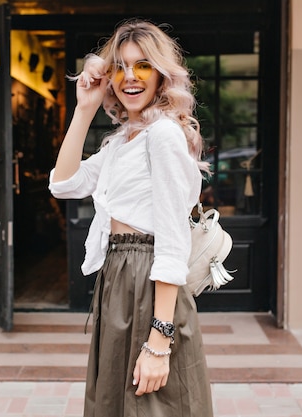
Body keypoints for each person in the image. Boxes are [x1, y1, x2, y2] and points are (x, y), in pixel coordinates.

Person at [48, 18, 214, 417]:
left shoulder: (163, 135)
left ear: (160, 74)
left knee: (154, 404)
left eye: (141, 65)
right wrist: (84, 109)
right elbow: (63, 183)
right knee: (117, 403)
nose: (130, 77)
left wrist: (160, 340)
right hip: (119, 274)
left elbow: (172, 240)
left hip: (148, 276)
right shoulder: (124, 140)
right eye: (119, 67)